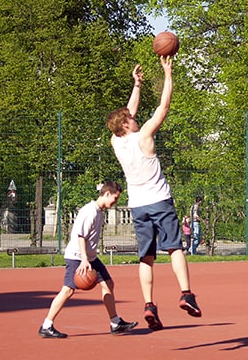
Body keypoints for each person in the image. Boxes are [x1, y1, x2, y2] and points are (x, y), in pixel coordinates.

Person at [105, 56, 201, 332]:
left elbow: (128, 111)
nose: (134, 118)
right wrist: (167, 74)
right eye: (130, 119)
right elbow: (164, 106)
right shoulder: (144, 134)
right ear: (127, 125)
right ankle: (186, 294)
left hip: (138, 207)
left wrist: (136, 85)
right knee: (175, 248)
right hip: (159, 201)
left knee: (146, 258)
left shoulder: (116, 142)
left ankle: (149, 305)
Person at [38, 181, 138, 338]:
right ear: (106, 194)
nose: (116, 201)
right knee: (68, 290)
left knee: (108, 283)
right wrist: (84, 260)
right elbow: (80, 236)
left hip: (90, 257)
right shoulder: (90, 211)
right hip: (78, 257)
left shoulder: (99, 211)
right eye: (115, 198)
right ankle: (46, 325)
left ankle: (115, 323)